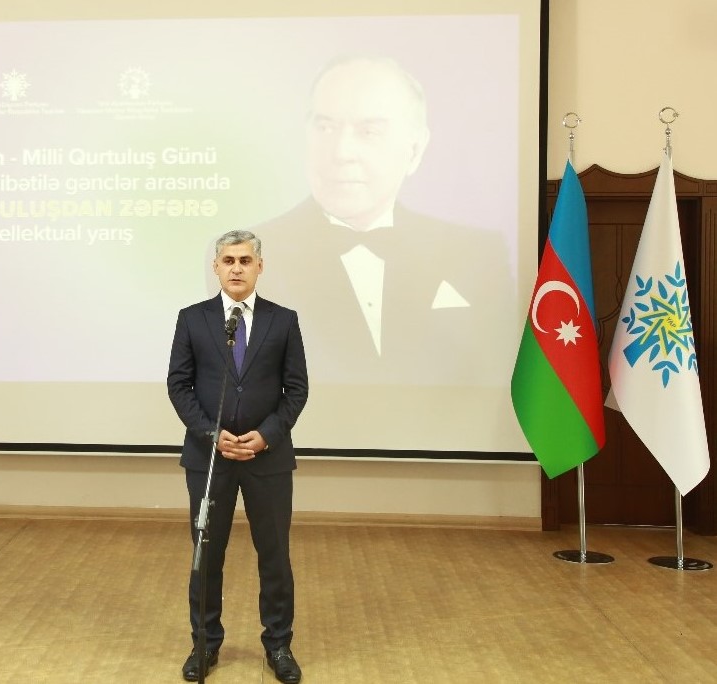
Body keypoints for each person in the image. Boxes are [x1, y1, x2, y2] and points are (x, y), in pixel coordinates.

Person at [257, 55, 516, 386]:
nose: (341, 152)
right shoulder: (248, 256)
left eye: (369, 131)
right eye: (325, 128)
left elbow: (493, 377)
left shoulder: (477, 253)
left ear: (415, 149)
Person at [167, 230, 308, 683]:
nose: (236, 268)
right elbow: (179, 386)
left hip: (268, 459)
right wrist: (212, 434)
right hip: (210, 459)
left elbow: (296, 389)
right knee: (207, 555)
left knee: (275, 555)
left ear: (259, 267)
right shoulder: (192, 319)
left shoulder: (283, 321)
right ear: (216, 267)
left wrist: (265, 436)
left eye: (245, 260)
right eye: (228, 260)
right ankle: (204, 645)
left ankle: (279, 645)